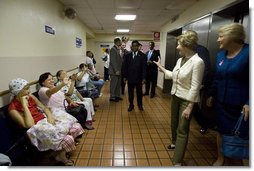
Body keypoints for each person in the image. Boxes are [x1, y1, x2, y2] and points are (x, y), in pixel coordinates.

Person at [153, 32, 204, 165]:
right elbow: (173, 76)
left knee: (182, 129)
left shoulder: (198, 62)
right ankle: (175, 144)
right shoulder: (180, 60)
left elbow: (195, 87)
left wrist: (189, 106)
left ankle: (177, 161)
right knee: (173, 123)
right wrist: (161, 68)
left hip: (187, 100)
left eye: (179, 44)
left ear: (186, 45)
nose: (177, 47)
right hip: (175, 96)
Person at [8, 78, 84, 166]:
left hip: (43, 118)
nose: (29, 90)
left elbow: (44, 108)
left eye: (29, 87)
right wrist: (25, 106)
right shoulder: (12, 109)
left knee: (70, 122)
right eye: (26, 88)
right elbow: (29, 125)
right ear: (18, 92)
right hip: (35, 127)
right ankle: (60, 155)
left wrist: (50, 117)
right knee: (60, 134)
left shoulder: (31, 96)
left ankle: (57, 153)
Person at [207, 23, 249, 166]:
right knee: (220, 131)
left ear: (233, 37)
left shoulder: (249, 53)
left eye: (221, 36)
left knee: (238, 135)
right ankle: (221, 158)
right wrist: (211, 95)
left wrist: (250, 102)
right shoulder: (220, 55)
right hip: (221, 103)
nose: (218, 40)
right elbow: (217, 78)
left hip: (240, 106)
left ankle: (240, 164)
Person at [184, 30, 213, 134]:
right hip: (188, 83)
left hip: (199, 84)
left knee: (196, 105)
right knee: (192, 104)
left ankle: (205, 124)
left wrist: (201, 84)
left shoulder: (201, 50)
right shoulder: (187, 49)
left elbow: (207, 68)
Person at [123, 40, 146, 111]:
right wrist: (124, 77)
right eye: (133, 46)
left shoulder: (143, 56)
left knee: (139, 93)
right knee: (130, 93)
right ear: (131, 47)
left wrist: (144, 78)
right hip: (130, 78)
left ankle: (140, 105)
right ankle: (131, 105)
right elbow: (125, 67)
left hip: (139, 78)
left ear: (138, 46)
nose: (134, 47)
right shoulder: (127, 56)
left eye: (136, 45)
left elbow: (144, 68)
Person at [109, 38, 122, 102]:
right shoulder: (113, 49)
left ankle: (117, 95)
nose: (121, 42)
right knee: (113, 84)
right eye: (120, 41)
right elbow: (113, 61)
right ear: (117, 42)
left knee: (118, 84)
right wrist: (116, 70)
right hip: (114, 71)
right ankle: (112, 97)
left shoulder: (117, 49)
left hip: (118, 70)